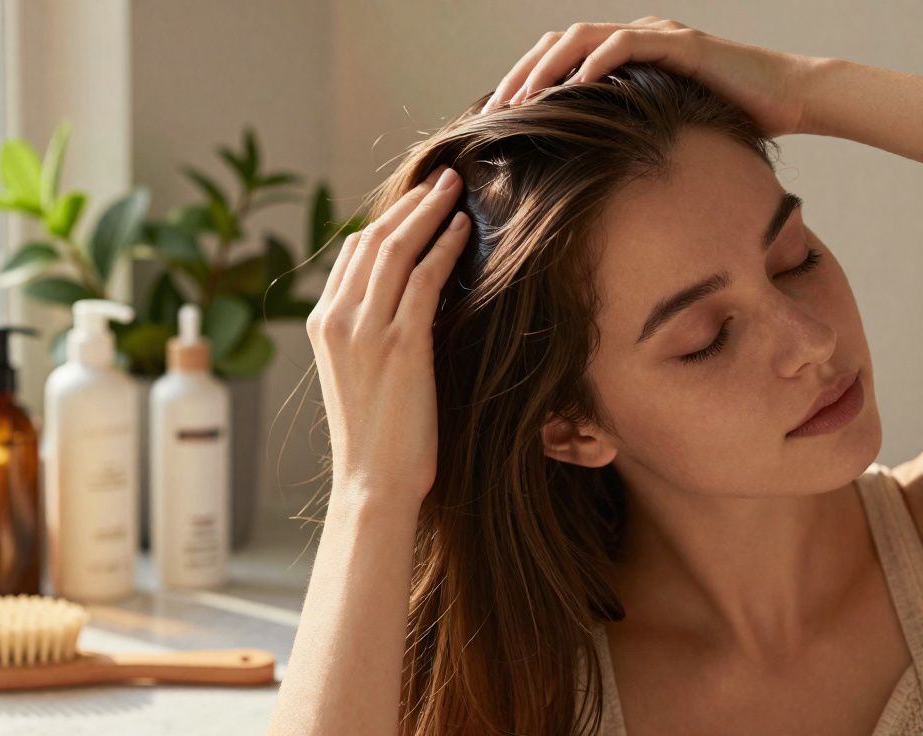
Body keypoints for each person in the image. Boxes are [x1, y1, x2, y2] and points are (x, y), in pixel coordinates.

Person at [266, 16, 923, 736]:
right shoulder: (519, 689)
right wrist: (372, 489)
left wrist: (804, 89)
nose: (812, 340)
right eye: (706, 339)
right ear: (571, 427)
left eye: (794, 259)